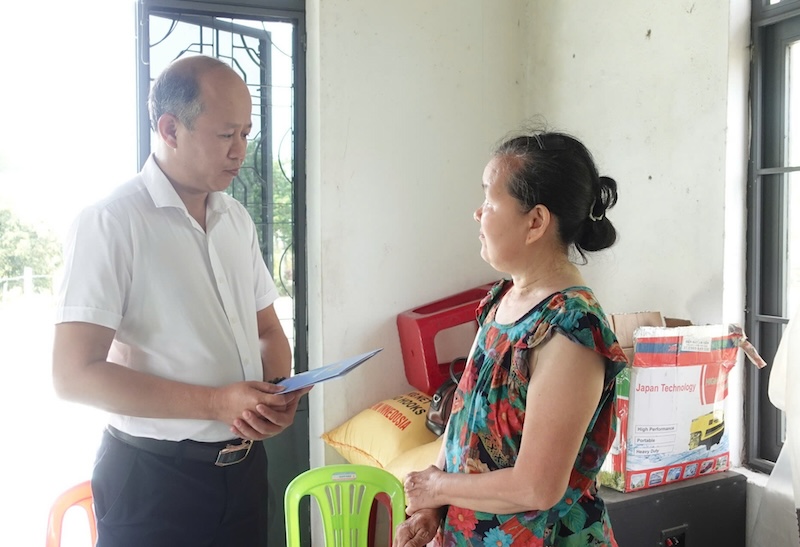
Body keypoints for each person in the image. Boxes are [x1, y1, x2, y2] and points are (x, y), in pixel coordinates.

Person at [52, 54, 309, 547]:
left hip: (243, 472)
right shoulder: (112, 223)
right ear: (170, 129)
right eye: (225, 134)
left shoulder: (236, 220)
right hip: (154, 482)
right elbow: (72, 374)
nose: (241, 150)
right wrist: (215, 403)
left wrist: (274, 392)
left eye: (246, 133)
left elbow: (267, 329)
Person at [395, 130, 628, 546]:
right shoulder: (502, 299)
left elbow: (537, 486)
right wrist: (432, 510)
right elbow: (463, 427)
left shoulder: (571, 330)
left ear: (535, 221)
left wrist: (438, 487)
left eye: (489, 199)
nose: (477, 213)